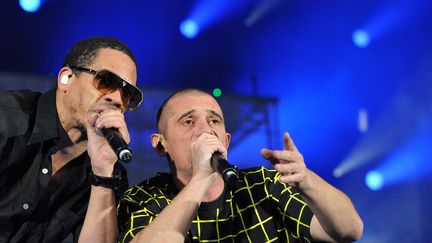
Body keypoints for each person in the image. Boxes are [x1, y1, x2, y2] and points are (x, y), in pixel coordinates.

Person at [117, 88, 363, 243]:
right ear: (161, 144)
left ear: (225, 141)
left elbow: (349, 231)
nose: (205, 130)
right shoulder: (143, 198)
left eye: (214, 120)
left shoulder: (264, 185)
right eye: (189, 122)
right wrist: (201, 178)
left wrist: (307, 180)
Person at [0, 36, 143, 243]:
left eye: (128, 93)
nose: (117, 99)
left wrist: (102, 173)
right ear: (65, 79)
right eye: (106, 81)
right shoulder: (6, 119)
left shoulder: (110, 173)